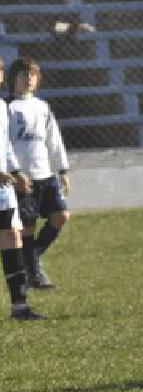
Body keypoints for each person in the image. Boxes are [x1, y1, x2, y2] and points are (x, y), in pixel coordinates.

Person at [7, 56, 70, 290]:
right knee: (28, 228)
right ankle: (34, 276)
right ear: (13, 78)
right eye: (24, 74)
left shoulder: (42, 107)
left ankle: (29, 260)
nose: (28, 78)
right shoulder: (7, 107)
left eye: (32, 74)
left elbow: (54, 140)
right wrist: (13, 172)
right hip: (23, 179)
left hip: (45, 175)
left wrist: (62, 170)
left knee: (60, 216)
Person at [0, 58, 45, 320]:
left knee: (12, 237)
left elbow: (5, 146)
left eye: (1, 70)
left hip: (3, 186)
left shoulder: (2, 107)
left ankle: (19, 306)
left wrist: (16, 172)